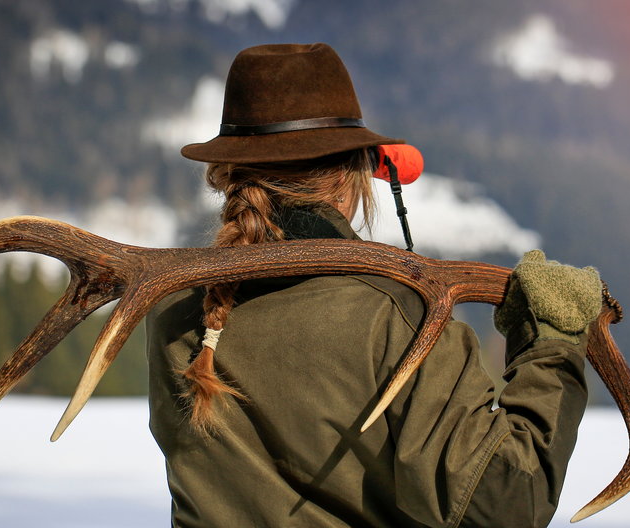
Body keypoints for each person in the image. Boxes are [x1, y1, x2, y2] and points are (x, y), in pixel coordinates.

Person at [146, 43, 603, 528]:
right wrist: (552, 347)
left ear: (227, 174)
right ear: (353, 172)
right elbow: (503, 500)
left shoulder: (172, 309)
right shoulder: (399, 315)